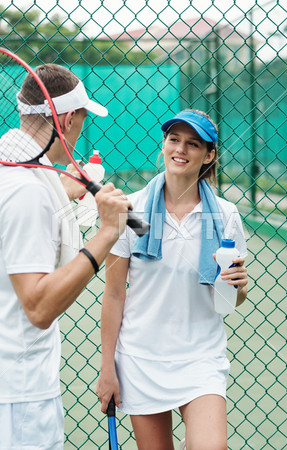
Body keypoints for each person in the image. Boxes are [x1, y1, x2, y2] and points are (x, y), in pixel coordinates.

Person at [96, 109, 248, 450]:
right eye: (174, 140)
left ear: (208, 155)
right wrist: (108, 368)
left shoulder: (225, 215)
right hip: (141, 358)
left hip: (201, 357)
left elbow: (232, 299)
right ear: (163, 145)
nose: (181, 149)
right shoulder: (132, 213)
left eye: (193, 144)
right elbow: (115, 293)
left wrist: (239, 287)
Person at [0, 64, 132, 449]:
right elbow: (38, 307)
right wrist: (107, 232)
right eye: (82, 121)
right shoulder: (27, 190)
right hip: (18, 397)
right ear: (69, 118)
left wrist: (62, 192)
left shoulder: (16, 169)